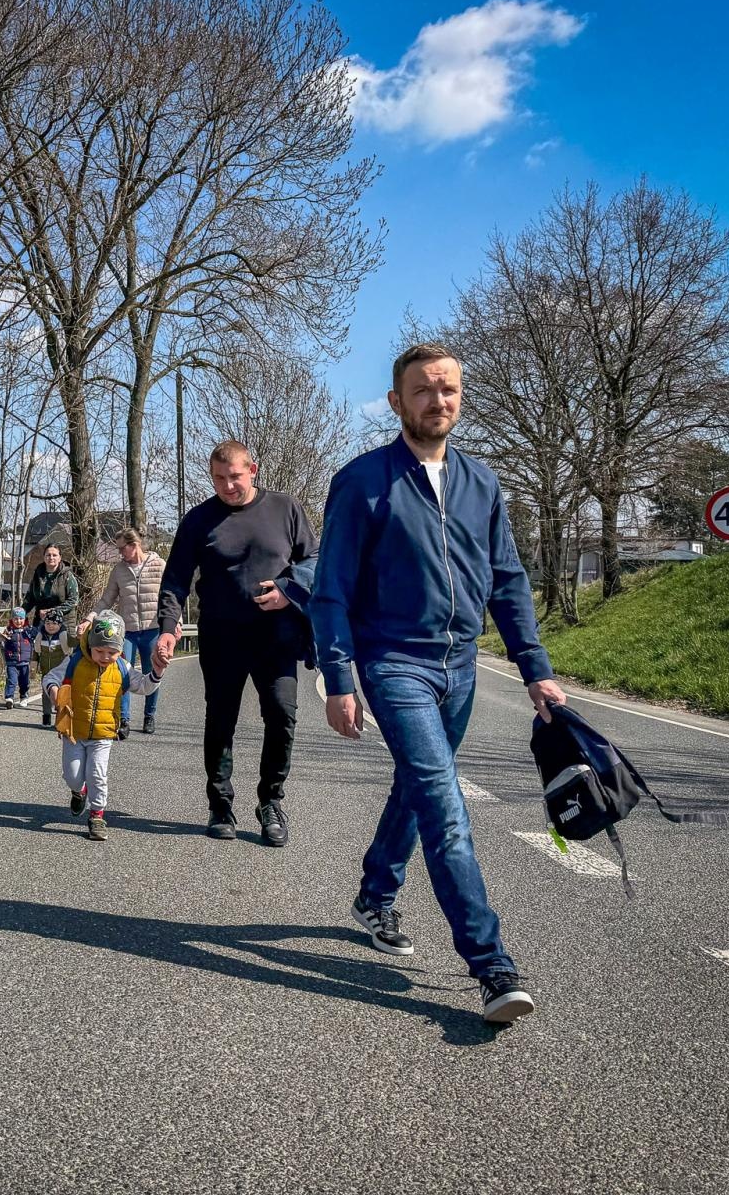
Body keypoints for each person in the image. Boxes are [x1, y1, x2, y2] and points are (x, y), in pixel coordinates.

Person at [308, 342, 567, 1025]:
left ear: (462, 395)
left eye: (448, 389)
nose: (438, 401)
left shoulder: (481, 483)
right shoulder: (362, 481)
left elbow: (508, 580)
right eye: (423, 390)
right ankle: (491, 966)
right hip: (394, 662)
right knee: (445, 805)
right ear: (396, 402)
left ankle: (374, 893)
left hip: (461, 664)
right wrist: (340, 676)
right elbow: (330, 591)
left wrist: (535, 671)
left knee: (418, 788)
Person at [151, 441, 317, 846]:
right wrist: (169, 629)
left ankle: (271, 802)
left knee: (281, 715)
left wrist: (287, 590)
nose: (227, 486)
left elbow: (315, 559)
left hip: (275, 637)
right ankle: (220, 803)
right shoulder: (198, 520)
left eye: (235, 477)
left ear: (253, 470)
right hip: (221, 636)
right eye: (219, 478)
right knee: (220, 719)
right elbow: (175, 580)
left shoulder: (285, 509)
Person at [41, 612, 168, 842]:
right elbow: (50, 678)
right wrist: (54, 692)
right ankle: (79, 792)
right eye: (100, 651)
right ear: (91, 645)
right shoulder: (75, 661)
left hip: (103, 735)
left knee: (97, 775)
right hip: (74, 733)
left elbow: (145, 686)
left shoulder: (122, 668)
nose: (106, 657)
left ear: (120, 650)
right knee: (73, 777)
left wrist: (157, 672)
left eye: (112, 652)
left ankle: (97, 815)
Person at [95, 528, 167, 736]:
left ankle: (149, 716)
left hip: (152, 629)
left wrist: (175, 623)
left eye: (121, 548)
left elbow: (170, 596)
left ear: (134, 545)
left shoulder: (159, 565)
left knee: (152, 672)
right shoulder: (118, 570)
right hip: (126, 630)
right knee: (121, 673)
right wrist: (91, 617)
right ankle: (123, 719)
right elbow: (107, 598)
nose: (120, 553)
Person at [23, 543, 79, 629]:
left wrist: (52, 611)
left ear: (60, 558)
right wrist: (20, 614)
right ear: (44, 557)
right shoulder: (38, 575)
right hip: (42, 621)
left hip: (64, 622)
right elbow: (30, 598)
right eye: (48, 555)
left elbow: (73, 600)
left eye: (54, 555)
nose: (51, 558)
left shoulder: (67, 575)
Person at [33, 612, 69, 728]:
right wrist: (33, 667)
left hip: (60, 673)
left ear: (59, 624)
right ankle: (46, 716)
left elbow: (69, 653)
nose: (51, 626)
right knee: (45, 694)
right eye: (48, 623)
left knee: (61, 694)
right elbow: (36, 653)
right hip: (45, 671)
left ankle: (61, 716)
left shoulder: (63, 637)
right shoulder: (40, 637)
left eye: (54, 623)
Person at [0, 607, 37, 707]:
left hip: (25, 661)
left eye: (21, 619)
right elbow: (1, 644)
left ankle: (23, 697)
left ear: (24, 619)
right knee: (12, 680)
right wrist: (1, 639)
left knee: (24, 681)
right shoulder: (8, 631)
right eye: (15, 619)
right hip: (12, 661)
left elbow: (38, 638)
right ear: (12, 620)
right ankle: (9, 698)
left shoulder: (29, 631)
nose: (18, 621)